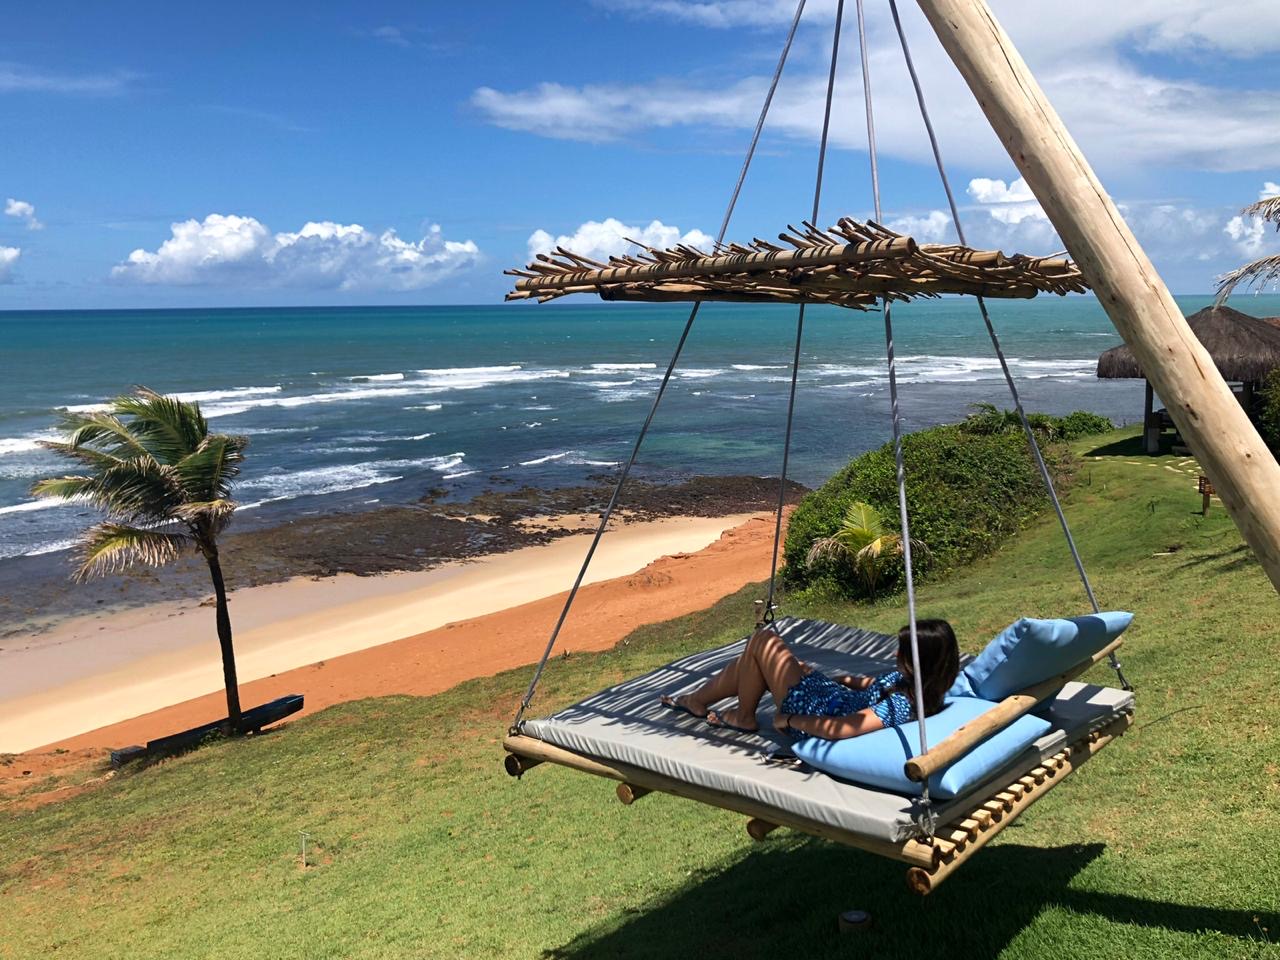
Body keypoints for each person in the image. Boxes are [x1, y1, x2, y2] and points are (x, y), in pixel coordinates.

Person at [660, 619, 959, 739]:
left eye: (903, 651)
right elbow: (876, 685)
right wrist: (848, 680)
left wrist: (789, 721)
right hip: (831, 697)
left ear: (922, 661)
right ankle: (698, 701)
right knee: (760, 659)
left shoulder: (901, 704)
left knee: (763, 640)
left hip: (815, 712)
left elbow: (840, 729)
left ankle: (743, 715)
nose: (895, 653)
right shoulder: (917, 683)